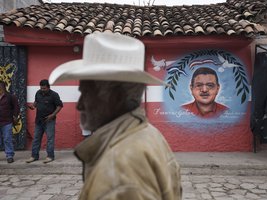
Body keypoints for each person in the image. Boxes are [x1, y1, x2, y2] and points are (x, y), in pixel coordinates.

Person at [49, 32, 181, 200]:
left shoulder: (118, 171)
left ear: (116, 97)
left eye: (86, 94)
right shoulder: (149, 133)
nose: (79, 104)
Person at [26, 79, 63, 164]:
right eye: (41, 88)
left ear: (48, 87)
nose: (42, 90)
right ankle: (34, 156)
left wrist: (53, 115)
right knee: (36, 139)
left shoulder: (54, 95)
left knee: (50, 139)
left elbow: (60, 106)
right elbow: (36, 101)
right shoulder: (38, 93)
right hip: (38, 120)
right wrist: (33, 106)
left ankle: (50, 156)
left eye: (44, 88)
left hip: (49, 121)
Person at [0, 80, 19, 163]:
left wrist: (15, 116)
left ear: (4, 87)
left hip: (7, 121)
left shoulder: (10, 97)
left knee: (7, 139)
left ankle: (9, 155)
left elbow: (16, 107)